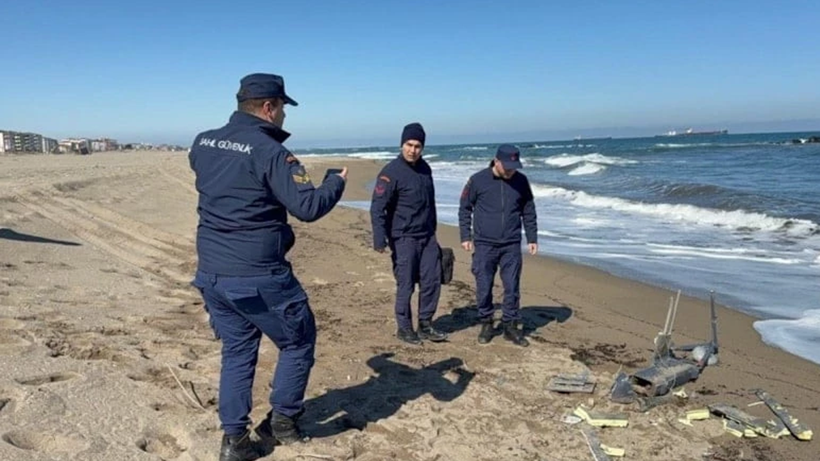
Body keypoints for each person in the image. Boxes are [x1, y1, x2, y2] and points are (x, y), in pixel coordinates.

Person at [188, 73, 347, 461]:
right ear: (268, 107)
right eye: (281, 110)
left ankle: (234, 440)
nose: (283, 120)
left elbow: (218, 180)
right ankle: (283, 420)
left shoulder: (203, 142)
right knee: (298, 340)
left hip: (212, 271)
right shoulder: (270, 152)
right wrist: (334, 183)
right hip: (256, 274)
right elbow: (307, 207)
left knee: (238, 350)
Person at [370, 123, 448, 345]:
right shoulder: (390, 173)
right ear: (402, 144)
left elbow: (430, 203)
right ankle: (404, 328)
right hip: (403, 238)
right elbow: (377, 207)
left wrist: (433, 231)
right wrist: (379, 239)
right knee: (406, 284)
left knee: (432, 281)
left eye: (417, 146)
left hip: (427, 236)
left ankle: (425, 325)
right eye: (409, 145)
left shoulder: (426, 169)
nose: (413, 150)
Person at [458, 144, 537, 347]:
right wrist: (465, 236)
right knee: (484, 285)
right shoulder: (477, 180)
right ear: (496, 161)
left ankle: (510, 325)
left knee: (512, 287)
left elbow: (528, 210)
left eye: (514, 166)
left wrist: (532, 238)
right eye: (508, 166)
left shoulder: (521, 181)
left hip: (511, 244)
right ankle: (486, 322)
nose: (511, 170)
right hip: (484, 244)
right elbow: (465, 208)